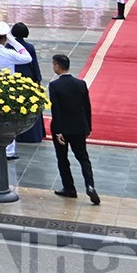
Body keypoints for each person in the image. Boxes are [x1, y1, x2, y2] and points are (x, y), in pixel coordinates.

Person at [46, 53, 100, 205]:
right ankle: (90, 185)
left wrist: (57, 131)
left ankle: (69, 188)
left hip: (62, 128)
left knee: (63, 159)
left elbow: (56, 110)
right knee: (83, 158)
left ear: (57, 66)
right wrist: (87, 127)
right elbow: (87, 107)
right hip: (79, 127)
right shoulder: (80, 84)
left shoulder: (55, 85)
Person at [0, 27, 32, 158]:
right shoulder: (10, 53)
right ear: (5, 39)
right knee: (8, 122)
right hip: (8, 91)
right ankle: (9, 151)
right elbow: (27, 58)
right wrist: (13, 41)